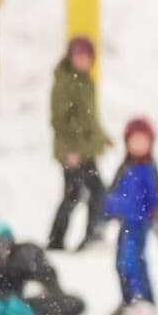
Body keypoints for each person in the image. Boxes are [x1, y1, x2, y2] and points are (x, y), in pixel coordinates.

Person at [47, 36, 111, 251]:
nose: (83, 61)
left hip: (86, 150)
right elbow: (60, 120)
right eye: (79, 56)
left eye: (87, 57)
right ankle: (64, 239)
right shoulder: (66, 82)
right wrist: (70, 150)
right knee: (81, 193)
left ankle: (87, 235)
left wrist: (101, 137)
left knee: (88, 192)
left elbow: (88, 117)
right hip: (73, 152)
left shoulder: (85, 81)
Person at [104, 117, 158, 315]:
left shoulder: (149, 169)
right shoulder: (125, 167)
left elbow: (156, 196)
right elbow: (114, 193)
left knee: (134, 261)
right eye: (134, 141)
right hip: (125, 222)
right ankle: (128, 299)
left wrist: (156, 218)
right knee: (120, 262)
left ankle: (143, 300)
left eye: (143, 141)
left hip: (139, 223)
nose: (138, 146)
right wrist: (107, 210)